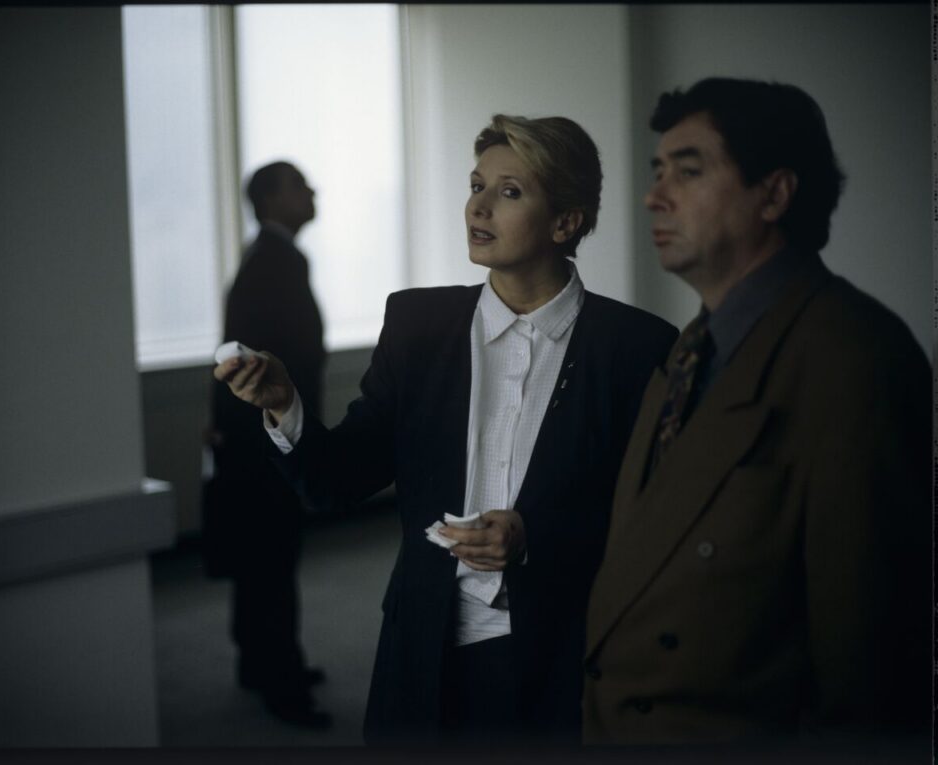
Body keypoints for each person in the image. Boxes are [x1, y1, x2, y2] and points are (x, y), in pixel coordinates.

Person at [215, 115, 677, 745]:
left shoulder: (637, 347)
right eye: (476, 184)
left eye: (509, 192)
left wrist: (534, 537)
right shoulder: (417, 325)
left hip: (563, 661)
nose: (478, 207)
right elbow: (335, 482)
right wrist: (283, 403)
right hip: (419, 649)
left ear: (566, 223)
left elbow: (655, 524)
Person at [582, 78, 931, 747]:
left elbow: (873, 662)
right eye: (658, 172)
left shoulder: (854, 357)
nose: (655, 196)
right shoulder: (693, 342)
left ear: (774, 194)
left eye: (689, 171)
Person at [203, 161, 330, 728]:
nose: (312, 192)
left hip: (250, 437)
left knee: (261, 559)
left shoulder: (267, 259)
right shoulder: (274, 263)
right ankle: (282, 683)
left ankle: (261, 664)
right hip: (264, 441)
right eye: (300, 184)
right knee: (272, 559)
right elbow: (257, 358)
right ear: (273, 199)